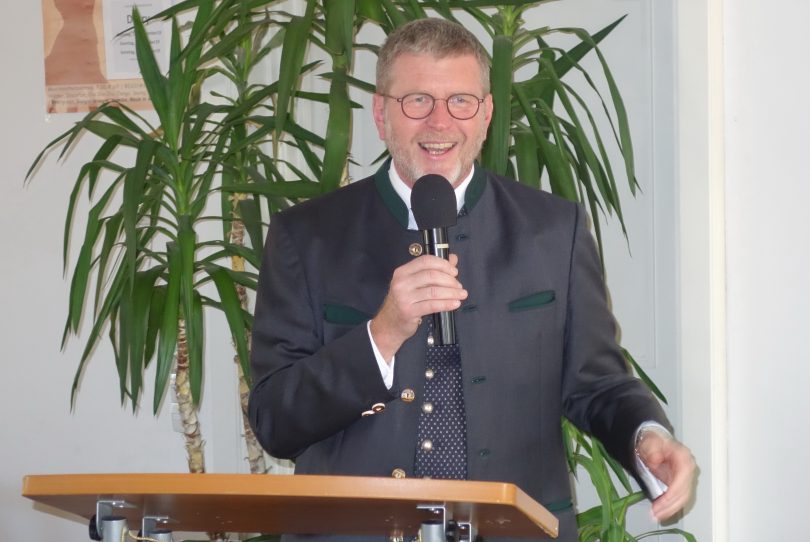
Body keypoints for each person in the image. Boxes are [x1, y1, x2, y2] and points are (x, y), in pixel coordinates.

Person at [248, 18, 695, 542]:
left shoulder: (554, 230)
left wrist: (645, 436)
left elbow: (597, 384)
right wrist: (380, 336)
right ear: (381, 114)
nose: (440, 122)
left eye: (460, 101)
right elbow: (275, 422)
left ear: (486, 114)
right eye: (417, 100)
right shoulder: (307, 237)